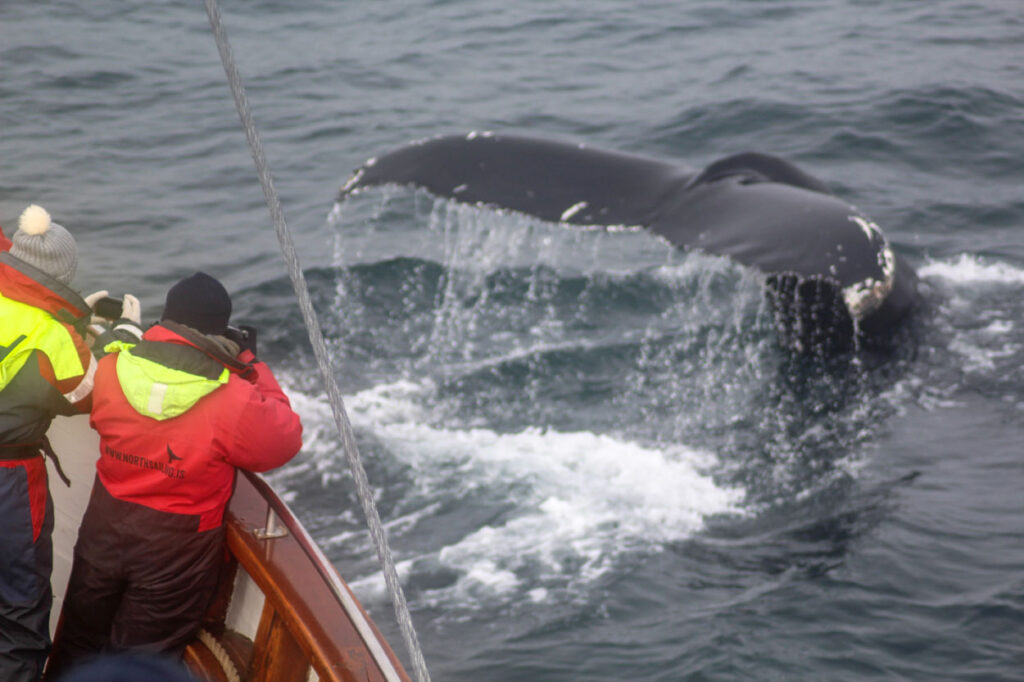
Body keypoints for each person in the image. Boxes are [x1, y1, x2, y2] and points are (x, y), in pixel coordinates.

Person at [46, 271, 303, 674]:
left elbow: (92, 405)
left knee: (78, 640)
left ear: (166, 317)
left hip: (105, 528)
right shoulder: (232, 396)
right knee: (140, 660)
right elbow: (284, 439)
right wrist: (251, 366)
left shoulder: (113, 368)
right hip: (176, 548)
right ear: (221, 331)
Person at [0, 205, 141, 682]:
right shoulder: (54, 335)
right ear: (63, 275)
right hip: (11, 484)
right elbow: (87, 397)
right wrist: (113, 340)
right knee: (19, 606)